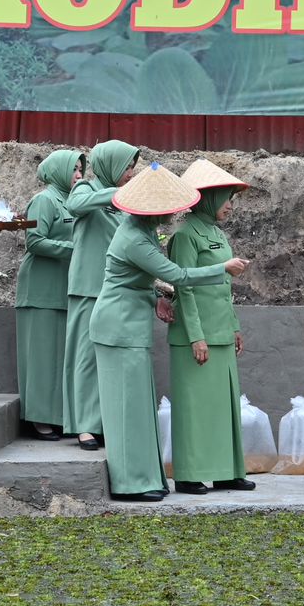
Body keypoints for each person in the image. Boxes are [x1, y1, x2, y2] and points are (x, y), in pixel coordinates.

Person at [91, 164, 248, 502]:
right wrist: (221, 267)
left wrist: (156, 297)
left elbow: (134, 279)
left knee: (138, 406)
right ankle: (131, 483)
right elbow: (177, 273)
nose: (175, 211)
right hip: (117, 326)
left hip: (129, 323)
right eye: (168, 206)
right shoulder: (135, 237)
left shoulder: (142, 231)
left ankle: (145, 477)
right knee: (125, 408)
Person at [166, 158, 254, 495]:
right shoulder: (185, 235)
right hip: (197, 336)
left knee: (223, 408)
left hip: (220, 332)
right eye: (225, 198)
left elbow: (223, 287)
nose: (230, 206)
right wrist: (196, 337)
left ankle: (226, 471)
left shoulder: (216, 233)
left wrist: (234, 326)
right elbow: (183, 287)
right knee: (196, 409)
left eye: (231, 198)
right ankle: (190, 474)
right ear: (207, 198)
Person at [61, 140, 140, 450]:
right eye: (127, 168)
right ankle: (84, 426)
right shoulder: (86, 188)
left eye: (133, 168)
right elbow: (76, 206)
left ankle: (104, 421)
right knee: (85, 359)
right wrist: (118, 195)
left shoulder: (122, 202)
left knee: (108, 360)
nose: (131, 174)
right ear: (111, 166)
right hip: (87, 288)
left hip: (115, 291)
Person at [14, 149, 82, 440]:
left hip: (63, 288)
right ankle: (38, 419)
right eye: (74, 170)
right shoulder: (44, 200)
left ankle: (56, 417)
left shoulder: (73, 202)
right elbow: (35, 241)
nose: (79, 175)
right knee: (41, 357)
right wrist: (77, 251)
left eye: (81, 170)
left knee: (58, 357)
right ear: (58, 171)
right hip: (40, 290)